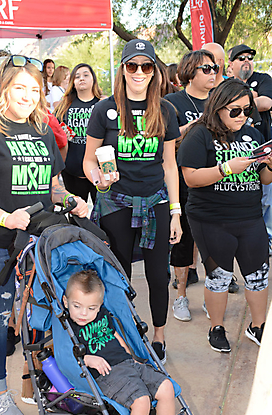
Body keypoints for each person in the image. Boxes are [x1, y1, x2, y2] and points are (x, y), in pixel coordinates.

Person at [0, 55, 88, 415]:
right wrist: (5, 217)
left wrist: (71, 201)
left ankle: (38, 387)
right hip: (0, 243)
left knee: (42, 316)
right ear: (2, 89)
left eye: (35, 89)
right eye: (20, 88)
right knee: (0, 318)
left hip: (42, 242)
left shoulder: (44, 129)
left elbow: (52, 185)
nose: (28, 96)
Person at [83, 39, 182, 364]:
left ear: (155, 71)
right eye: (132, 65)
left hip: (155, 201)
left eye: (146, 66)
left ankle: (158, 336)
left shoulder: (166, 110)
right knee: (118, 273)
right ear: (122, 69)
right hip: (116, 202)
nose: (139, 72)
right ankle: (125, 332)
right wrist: (98, 178)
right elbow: (88, 161)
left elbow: (170, 165)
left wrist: (176, 211)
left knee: (158, 275)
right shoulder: (105, 108)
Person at [177, 78, 272, 352]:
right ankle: (216, 327)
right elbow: (191, 177)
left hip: (250, 215)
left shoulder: (252, 135)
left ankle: (258, 326)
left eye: (247, 110)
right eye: (236, 110)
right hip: (212, 218)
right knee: (219, 275)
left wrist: (269, 165)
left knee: (258, 274)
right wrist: (226, 169)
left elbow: (264, 179)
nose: (243, 116)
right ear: (219, 107)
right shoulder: (200, 134)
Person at [63, 269, 188, 415]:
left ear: (99, 306)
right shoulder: (67, 325)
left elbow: (114, 335)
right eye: (77, 306)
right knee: (141, 400)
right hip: (107, 374)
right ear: (65, 300)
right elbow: (65, 354)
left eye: (91, 308)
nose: (83, 313)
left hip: (128, 364)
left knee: (166, 387)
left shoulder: (103, 315)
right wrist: (88, 359)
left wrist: (130, 355)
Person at [164, 49, 217, 321]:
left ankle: (212, 295)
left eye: (215, 68)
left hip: (217, 181)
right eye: (206, 69)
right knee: (182, 241)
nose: (213, 73)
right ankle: (181, 297)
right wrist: (191, 128)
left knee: (214, 241)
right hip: (184, 183)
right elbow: (163, 145)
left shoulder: (220, 100)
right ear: (189, 73)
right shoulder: (170, 102)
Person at [229, 44, 272, 253]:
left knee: (266, 196)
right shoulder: (226, 84)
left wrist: (239, 100)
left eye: (249, 57)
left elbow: (266, 103)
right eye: (240, 58)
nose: (246, 61)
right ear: (231, 64)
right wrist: (250, 96)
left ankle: (267, 238)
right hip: (232, 150)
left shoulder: (263, 79)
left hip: (262, 147)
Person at [55, 63, 102, 203]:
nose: (82, 78)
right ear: (72, 83)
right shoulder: (64, 106)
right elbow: (54, 134)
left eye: (86, 75)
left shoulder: (103, 105)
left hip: (99, 172)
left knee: (101, 219)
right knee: (75, 217)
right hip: (71, 171)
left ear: (93, 79)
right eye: (77, 76)